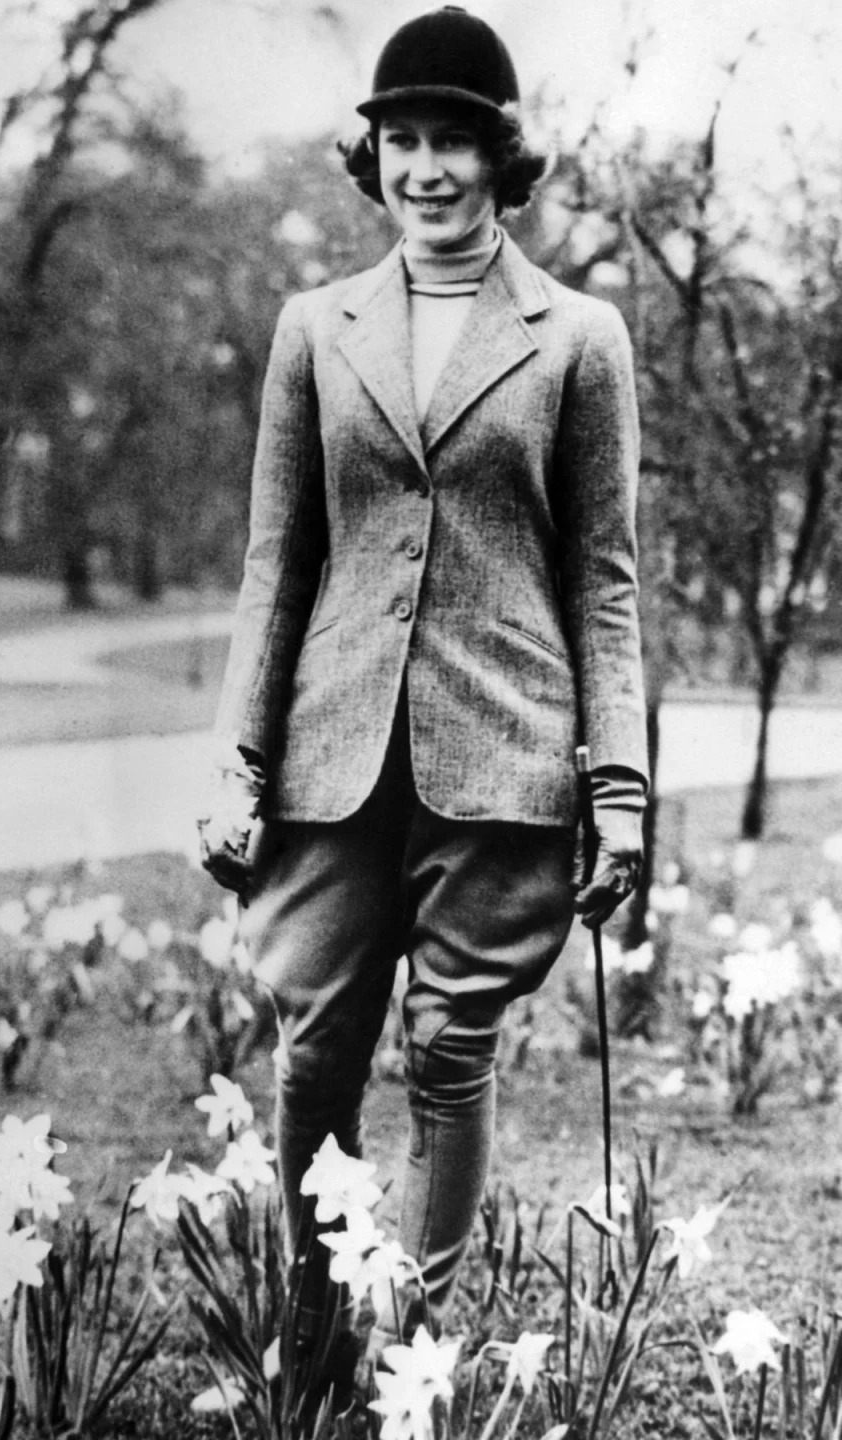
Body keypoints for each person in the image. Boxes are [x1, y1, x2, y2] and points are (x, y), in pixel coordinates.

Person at [200, 0, 647, 1389]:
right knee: (314, 1052)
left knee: (452, 1049)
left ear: (500, 162)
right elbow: (277, 568)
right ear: (374, 154)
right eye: (406, 138)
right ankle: (321, 1334)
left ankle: (423, 1355)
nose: (430, 169)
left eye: (457, 141)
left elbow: (607, 584)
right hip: (336, 752)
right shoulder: (312, 330)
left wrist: (617, 788)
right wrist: (236, 763)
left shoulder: (580, 339)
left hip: (504, 751)